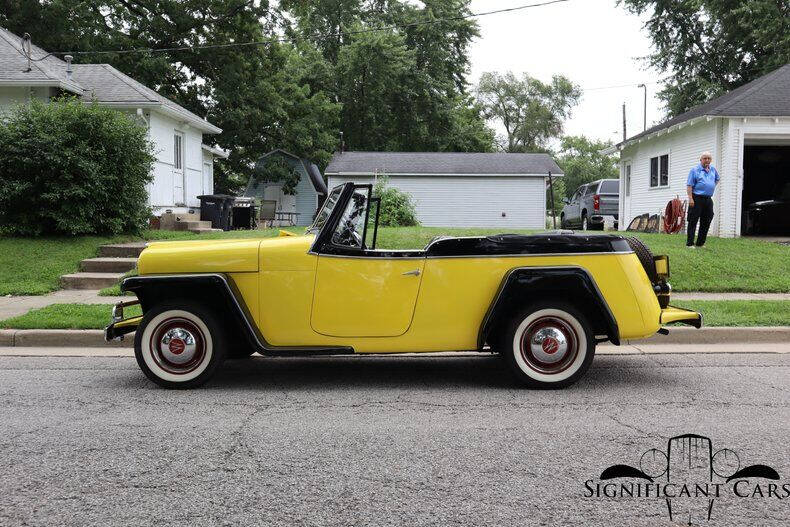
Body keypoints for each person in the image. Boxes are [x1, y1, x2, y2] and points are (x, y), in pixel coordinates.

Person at [686, 152, 720, 248]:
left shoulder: (713, 169)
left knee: (707, 220)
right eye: (705, 158)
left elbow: (717, 179)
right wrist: (690, 198)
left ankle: (700, 243)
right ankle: (690, 243)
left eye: (709, 158)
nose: (707, 160)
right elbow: (689, 185)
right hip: (696, 198)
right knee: (693, 220)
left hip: (708, 199)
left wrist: (710, 186)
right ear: (700, 159)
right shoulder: (694, 170)